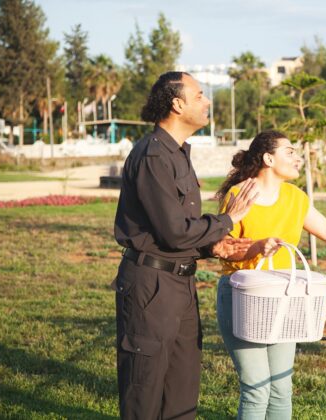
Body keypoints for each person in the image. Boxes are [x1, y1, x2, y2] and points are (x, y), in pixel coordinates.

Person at [113, 71, 258, 420]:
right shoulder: (152, 156)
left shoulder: (177, 153)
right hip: (151, 287)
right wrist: (227, 220)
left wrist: (215, 247)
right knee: (145, 392)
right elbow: (174, 232)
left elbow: (180, 229)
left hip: (181, 284)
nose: (207, 101)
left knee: (182, 389)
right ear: (177, 104)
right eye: (199, 95)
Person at [215, 130, 326, 419]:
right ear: (268, 158)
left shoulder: (295, 197)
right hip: (242, 296)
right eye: (289, 152)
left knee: (280, 388)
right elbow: (221, 249)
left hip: (280, 296)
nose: (298, 158)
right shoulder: (239, 194)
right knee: (256, 389)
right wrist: (255, 248)